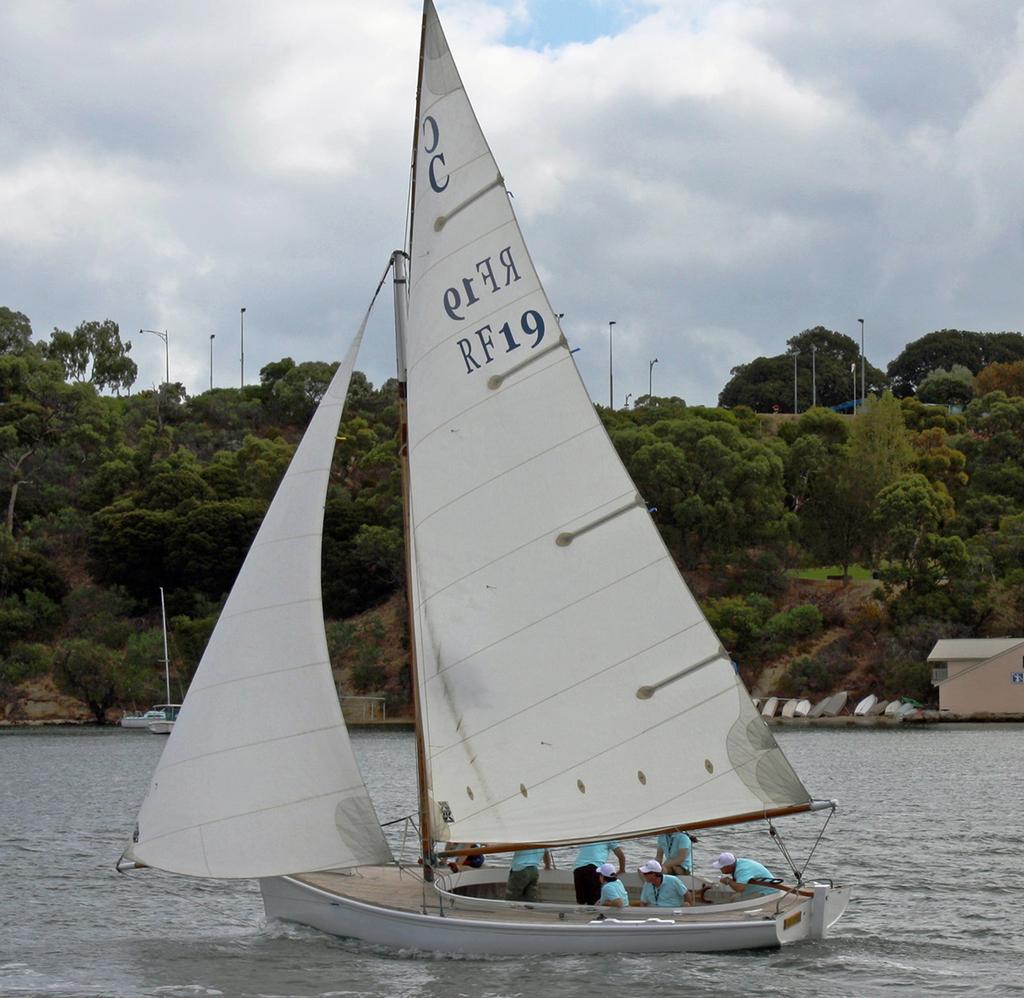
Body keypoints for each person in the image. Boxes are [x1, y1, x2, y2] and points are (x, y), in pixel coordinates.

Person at [573, 841, 626, 905]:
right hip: (595, 868)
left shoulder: (586, 835)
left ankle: (583, 913)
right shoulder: (608, 837)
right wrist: (621, 869)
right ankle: (593, 914)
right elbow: (621, 856)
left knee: (581, 901)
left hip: (578, 868)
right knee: (595, 901)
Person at [711, 851, 777, 896]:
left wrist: (728, 880)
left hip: (769, 892)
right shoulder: (737, 863)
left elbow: (740, 888)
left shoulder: (742, 869)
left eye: (721, 867)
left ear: (729, 866)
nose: (720, 869)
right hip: (758, 889)